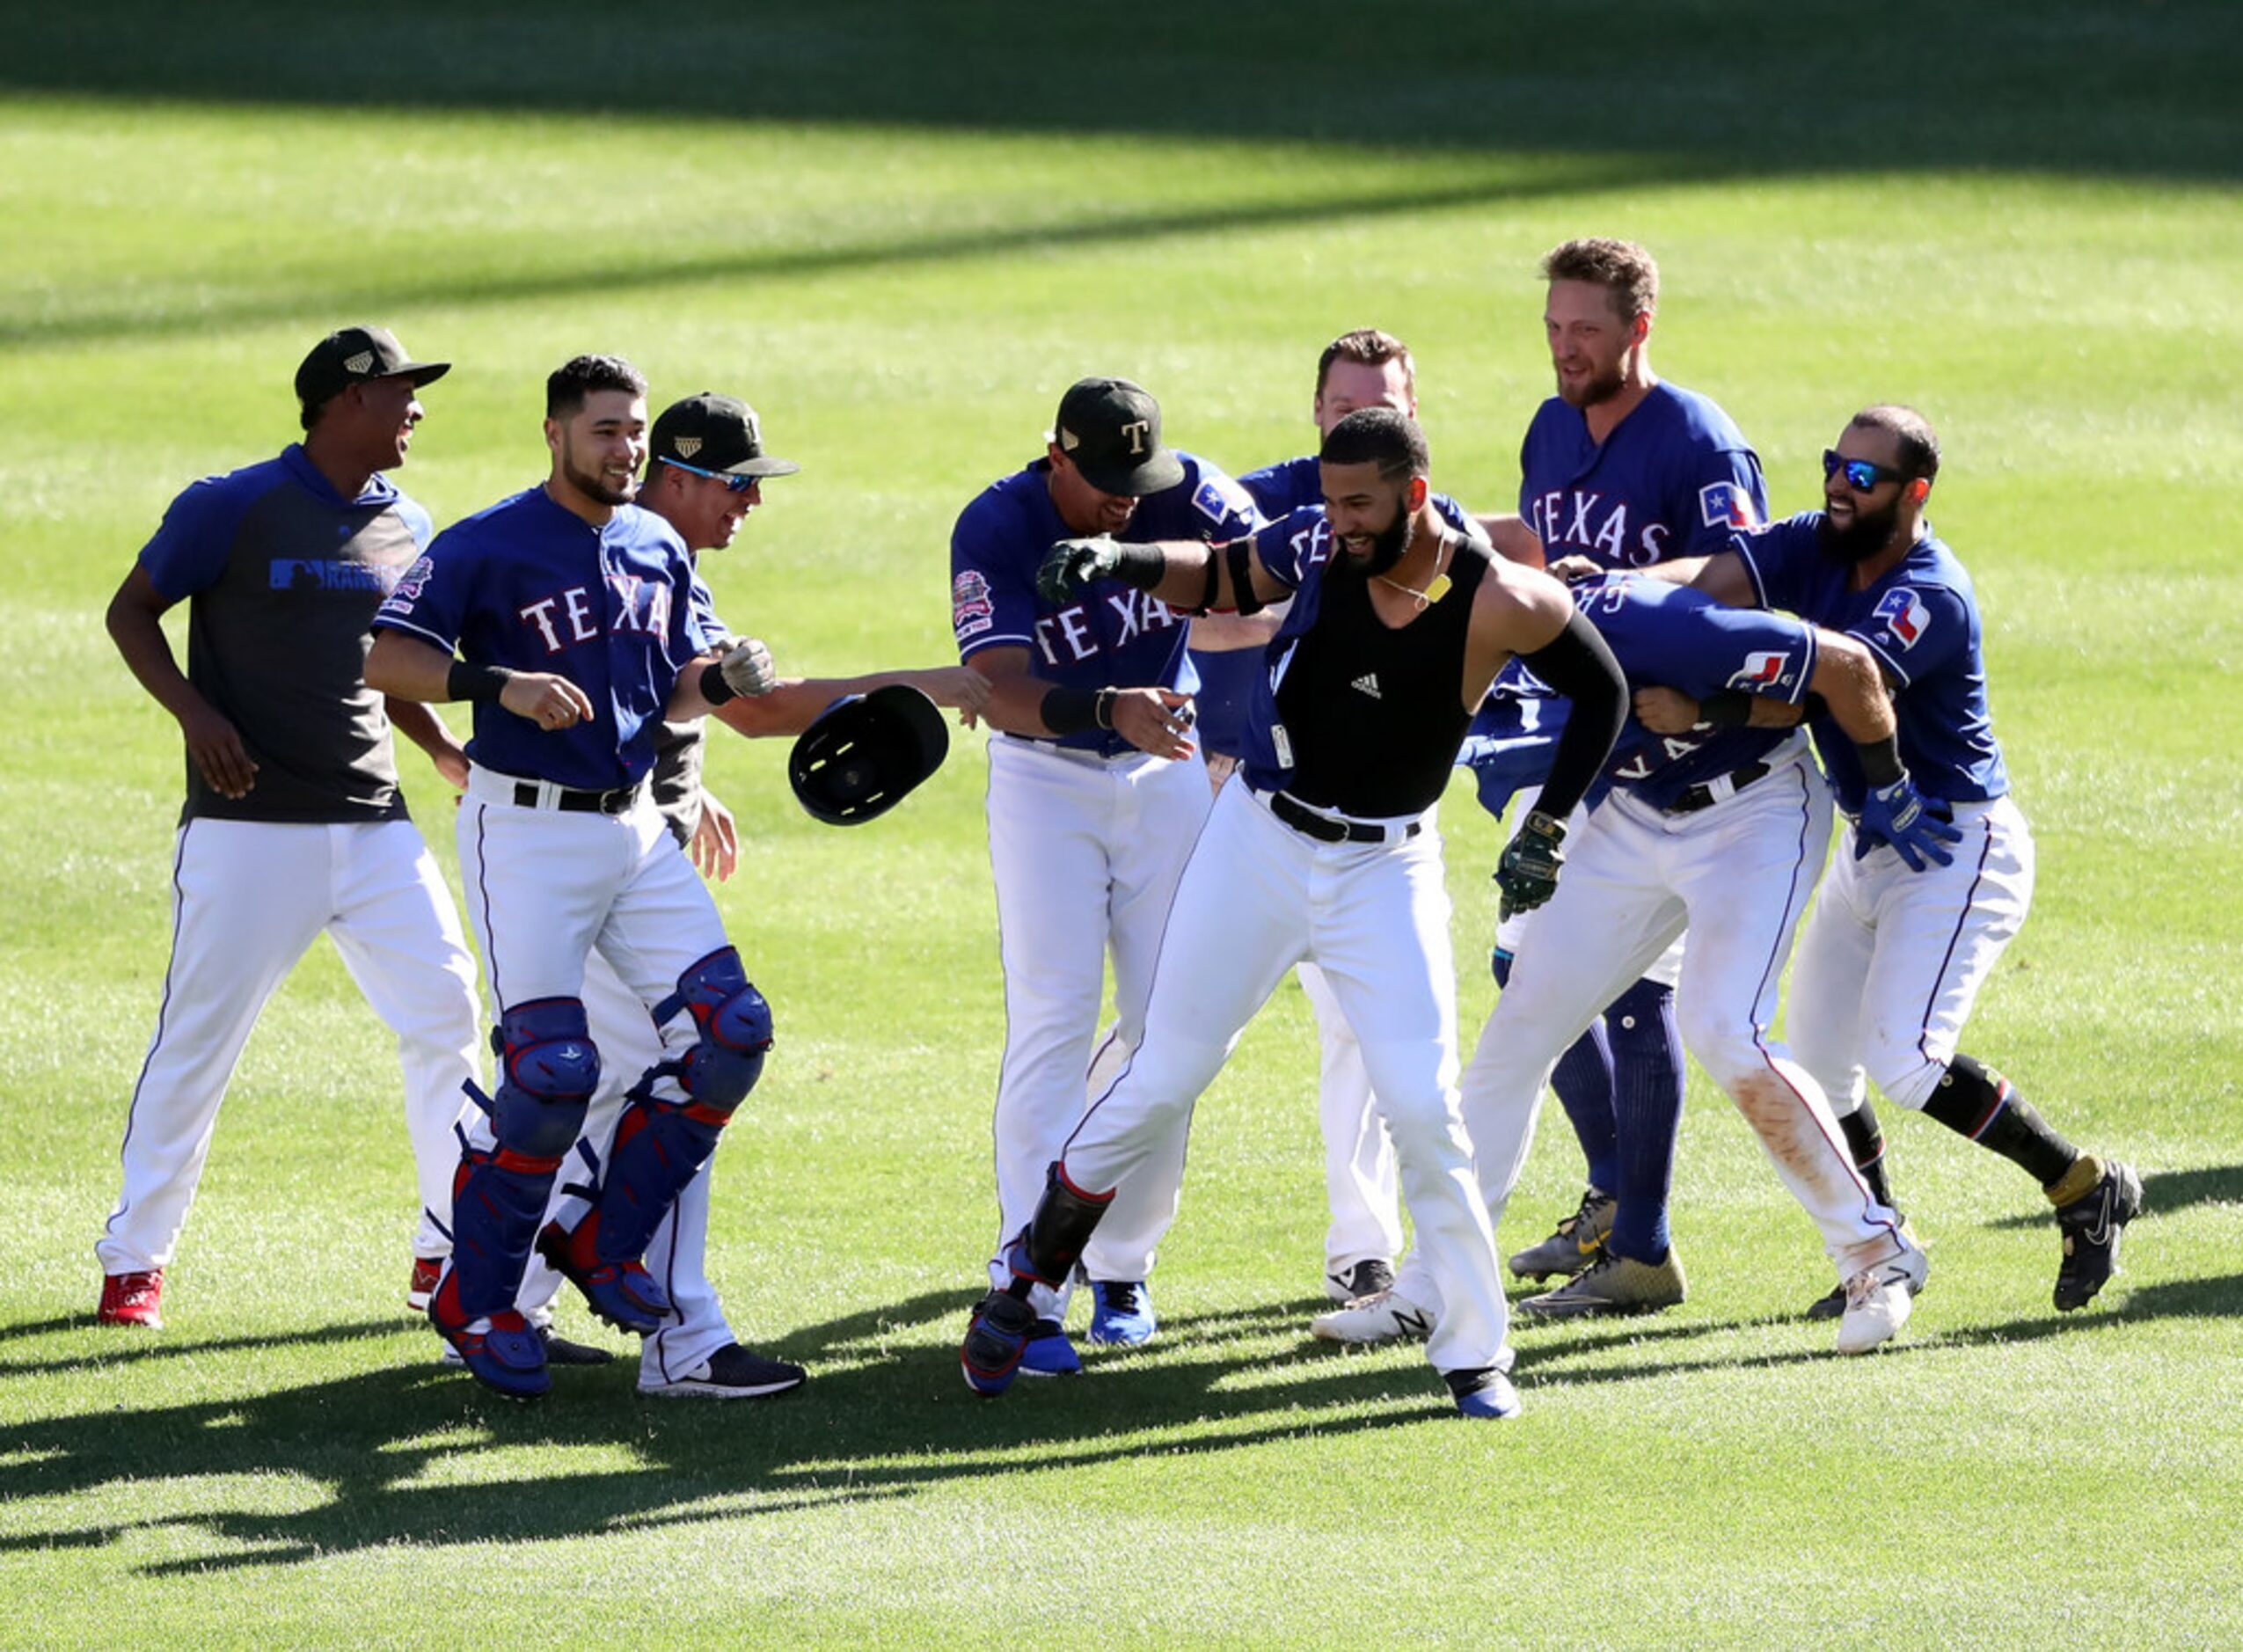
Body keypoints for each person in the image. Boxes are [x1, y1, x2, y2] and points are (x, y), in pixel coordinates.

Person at [961, 407, 1631, 1419]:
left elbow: (1606, 690)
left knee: (1422, 1107)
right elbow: (1226, 574)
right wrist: (1124, 559)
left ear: (1414, 494)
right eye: (1329, 498)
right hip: (1261, 838)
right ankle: (1026, 1280)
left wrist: (1549, 830)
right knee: (1162, 1076)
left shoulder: (1501, 597)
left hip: (1387, 871)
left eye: (1358, 502)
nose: (1336, 522)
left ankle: (1474, 1350)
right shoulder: (1322, 540)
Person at [505, 391, 990, 1397]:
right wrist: (933, 684)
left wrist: (685, 784)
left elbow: (662, 697)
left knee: (585, 1087)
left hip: (619, 846)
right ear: (675, 477)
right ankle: (679, 1343)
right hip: (600, 862)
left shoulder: (646, 555)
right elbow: (760, 708)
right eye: (736, 486)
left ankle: (500, 1295)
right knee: (690, 1069)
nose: (750, 506)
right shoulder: (629, 549)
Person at [1321, 568, 1939, 1353]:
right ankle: (1431, 1283)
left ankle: (1877, 1255)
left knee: (1722, 1026)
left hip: (1755, 810)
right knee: (1517, 1035)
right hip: (1633, 814)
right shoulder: (1490, 636)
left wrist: (1884, 784)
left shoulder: (1661, 628)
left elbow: (1846, 668)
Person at [1648, 406, 2142, 1313]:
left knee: (1906, 1059)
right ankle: (1883, 1248)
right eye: (1835, 463)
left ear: (1913, 493)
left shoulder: (1928, 592)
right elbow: (1714, 574)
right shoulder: (1818, 539)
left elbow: (1827, 696)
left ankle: (2082, 1186)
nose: (1840, 484)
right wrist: (1623, 591)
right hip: (1873, 839)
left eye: (1865, 476)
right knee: (1822, 1065)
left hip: (1956, 842)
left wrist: (1702, 712)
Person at [365, 354, 785, 1400]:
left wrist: (722, 680)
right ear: (554, 433)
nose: (624, 447)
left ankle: (607, 1242)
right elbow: (383, 657)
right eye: (605, 430)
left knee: (731, 1032)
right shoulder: (488, 543)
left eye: (634, 429)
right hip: (527, 837)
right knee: (550, 1075)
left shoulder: (656, 544)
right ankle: (478, 1300)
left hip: (637, 831)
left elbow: (679, 689)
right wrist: (493, 683)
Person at [95, 325, 483, 1331]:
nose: (417, 410)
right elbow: (132, 612)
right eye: (402, 392)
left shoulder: (411, 522)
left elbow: (389, 663)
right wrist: (198, 714)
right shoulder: (231, 506)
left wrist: (439, 743)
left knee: (447, 1012)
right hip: (248, 824)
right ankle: (135, 1257)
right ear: (346, 400)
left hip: (374, 823)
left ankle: (446, 1250)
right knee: (200, 1042)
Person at [1468, 236, 1772, 1302]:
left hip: (1700, 770)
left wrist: (1637, 587)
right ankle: (1615, 1202)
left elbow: (1745, 585)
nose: (1564, 348)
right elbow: (1551, 576)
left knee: (1640, 996)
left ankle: (1640, 1245)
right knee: (1522, 969)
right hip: (1594, 750)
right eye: (1553, 328)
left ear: (1637, 327)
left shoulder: (1700, 440)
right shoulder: (1551, 428)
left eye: (1585, 330)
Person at [951, 376, 1263, 1374]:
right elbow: (996, 689)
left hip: (1166, 773)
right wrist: (1108, 710)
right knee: (1053, 1016)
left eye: (1140, 476)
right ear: (1058, 457)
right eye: (1104, 482)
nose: (1126, 499)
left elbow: (1271, 575)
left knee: (1167, 1026)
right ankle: (1027, 1281)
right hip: (1047, 784)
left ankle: (1124, 1264)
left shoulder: (1188, 492)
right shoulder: (997, 524)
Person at [1226, 327, 1541, 1305]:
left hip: (1374, 820)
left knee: (1364, 1029)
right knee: (1174, 1032)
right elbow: (1204, 607)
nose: (1364, 416)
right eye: (1346, 401)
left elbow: (1511, 569)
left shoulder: (1428, 518)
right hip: (1238, 802)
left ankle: (1363, 1248)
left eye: (1391, 404)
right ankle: (1084, 1242)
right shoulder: (1258, 502)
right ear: (1316, 411)